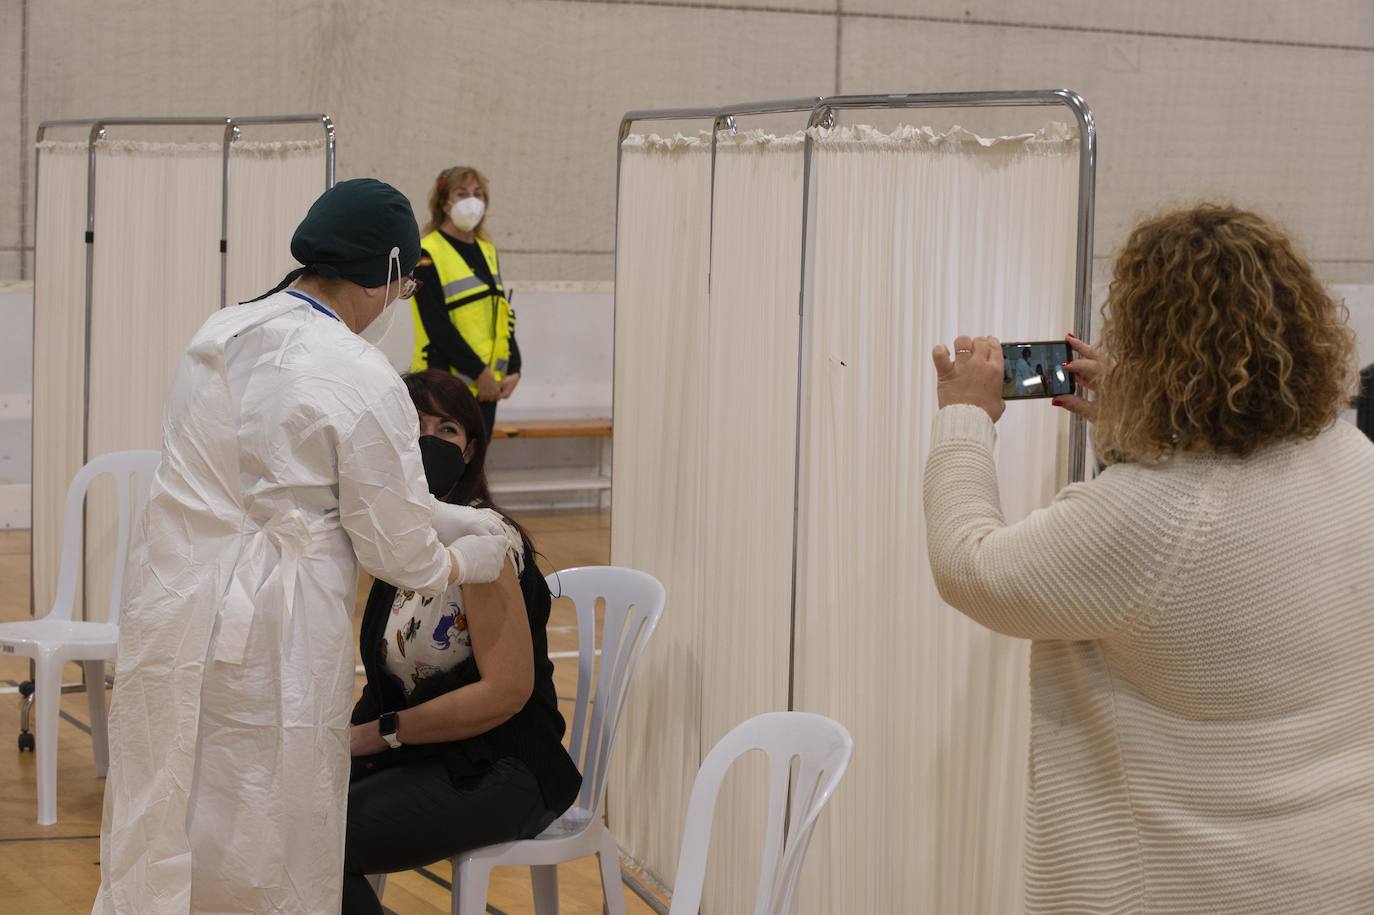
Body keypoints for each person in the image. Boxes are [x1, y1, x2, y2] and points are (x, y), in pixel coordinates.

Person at [923, 204, 1374, 913]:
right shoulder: (1354, 461)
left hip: (1197, 887)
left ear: (1155, 346)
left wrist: (963, 418)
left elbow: (969, 565)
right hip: (1340, 870)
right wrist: (1145, 415)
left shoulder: (1148, 518)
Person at [93, 179, 513, 915]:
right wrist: (464, 552)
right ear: (386, 270)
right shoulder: (358, 374)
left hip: (179, 601)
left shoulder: (218, 333)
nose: (400, 297)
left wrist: (437, 519)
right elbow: (398, 550)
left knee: (171, 799)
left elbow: (287, 483)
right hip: (275, 630)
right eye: (407, 281)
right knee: (270, 824)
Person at [341, 369, 581, 914]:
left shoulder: (484, 540)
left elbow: (506, 692)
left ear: (471, 451)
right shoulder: (404, 542)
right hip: (429, 758)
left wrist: (379, 736)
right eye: (414, 425)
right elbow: (386, 683)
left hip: (505, 766)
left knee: (324, 839)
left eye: (446, 429)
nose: (428, 441)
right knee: (286, 813)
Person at [410, 166, 521, 439]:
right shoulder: (427, 252)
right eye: (462, 194)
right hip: (444, 386)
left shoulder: (486, 248)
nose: (472, 201)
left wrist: (515, 368)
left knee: (475, 471)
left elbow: (501, 314)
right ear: (444, 202)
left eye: (478, 194)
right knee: (446, 471)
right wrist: (480, 373)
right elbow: (437, 325)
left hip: (487, 389)